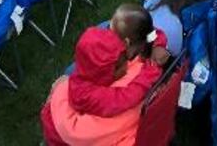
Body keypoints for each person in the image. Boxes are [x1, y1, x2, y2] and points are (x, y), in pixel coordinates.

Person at [42, 8, 170, 146]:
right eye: (120, 67)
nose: (126, 67)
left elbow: (147, 32)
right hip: (60, 135)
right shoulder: (89, 95)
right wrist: (151, 71)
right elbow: (126, 97)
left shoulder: (107, 60)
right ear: (103, 72)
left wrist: (158, 42)